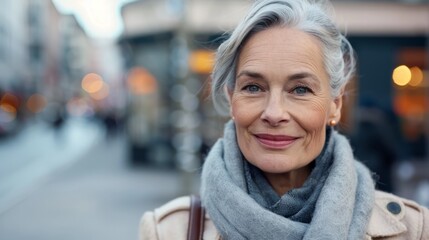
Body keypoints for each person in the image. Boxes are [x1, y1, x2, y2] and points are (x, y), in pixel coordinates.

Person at [139, 0, 429, 239]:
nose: (274, 113)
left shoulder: (414, 230)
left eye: (300, 89)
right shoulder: (168, 231)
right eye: (253, 87)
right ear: (231, 99)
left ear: (335, 105)